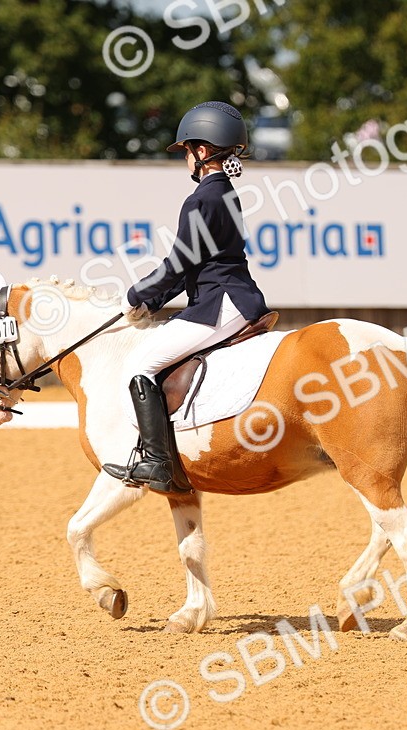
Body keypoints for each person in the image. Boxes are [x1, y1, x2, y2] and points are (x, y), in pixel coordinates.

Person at [103, 101, 272, 494]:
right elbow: (195, 264)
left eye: (187, 150)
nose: (186, 159)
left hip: (221, 304)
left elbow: (178, 261)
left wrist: (136, 294)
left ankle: (156, 462)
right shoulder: (225, 193)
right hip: (234, 295)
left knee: (139, 364)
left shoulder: (202, 199)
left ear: (202, 150)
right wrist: (153, 302)